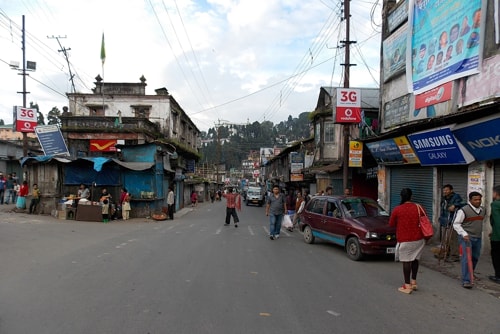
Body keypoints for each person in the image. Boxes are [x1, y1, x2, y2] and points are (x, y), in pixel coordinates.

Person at [388, 188, 426, 294]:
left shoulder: (397, 209)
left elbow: (391, 224)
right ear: (411, 196)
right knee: (415, 259)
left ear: (401, 197)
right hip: (419, 239)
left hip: (405, 239)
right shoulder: (419, 207)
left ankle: (407, 285)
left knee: (406, 261)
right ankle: (414, 282)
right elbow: (424, 220)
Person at [453, 191, 485, 289]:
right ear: (470, 200)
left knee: (475, 257)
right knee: (466, 259)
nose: (478, 201)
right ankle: (466, 280)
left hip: (478, 237)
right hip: (466, 238)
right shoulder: (463, 210)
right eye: (475, 199)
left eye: (479, 199)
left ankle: (471, 273)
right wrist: (464, 233)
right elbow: (456, 224)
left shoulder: (483, 210)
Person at [437, 184, 463, 261]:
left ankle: (454, 256)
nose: (445, 191)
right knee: (445, 239)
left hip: (453, 220)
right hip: (445, 220)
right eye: (444, 190)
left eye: (447, 190)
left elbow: (463, 204)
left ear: (451, 190)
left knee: (452, 239)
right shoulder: (444, 198)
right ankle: (446, 253)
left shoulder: (456, 197)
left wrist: (455, 205)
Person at [489, 185, 500, 284]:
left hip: (497, 237)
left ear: (496, 194)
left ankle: (498, 276)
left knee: (496, 256)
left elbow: (497, 220)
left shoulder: (495, 204)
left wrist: (494, 232)